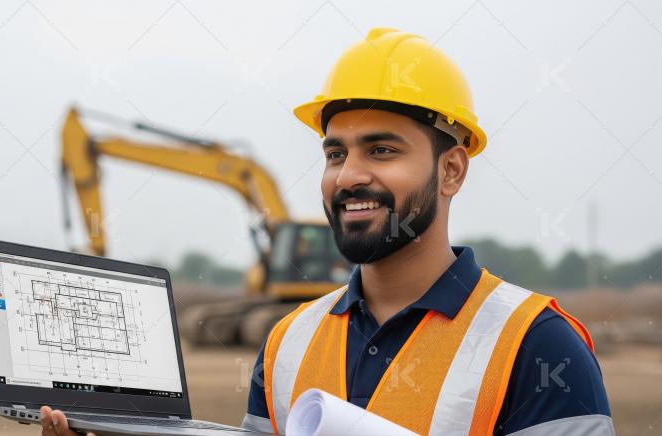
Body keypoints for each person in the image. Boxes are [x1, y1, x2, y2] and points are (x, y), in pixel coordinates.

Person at [241, 28, 613, 435]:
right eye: (335, 154)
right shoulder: (286, 344)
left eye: (381, 150)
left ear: (450, 170)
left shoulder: (539, 346)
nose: (347, 176)